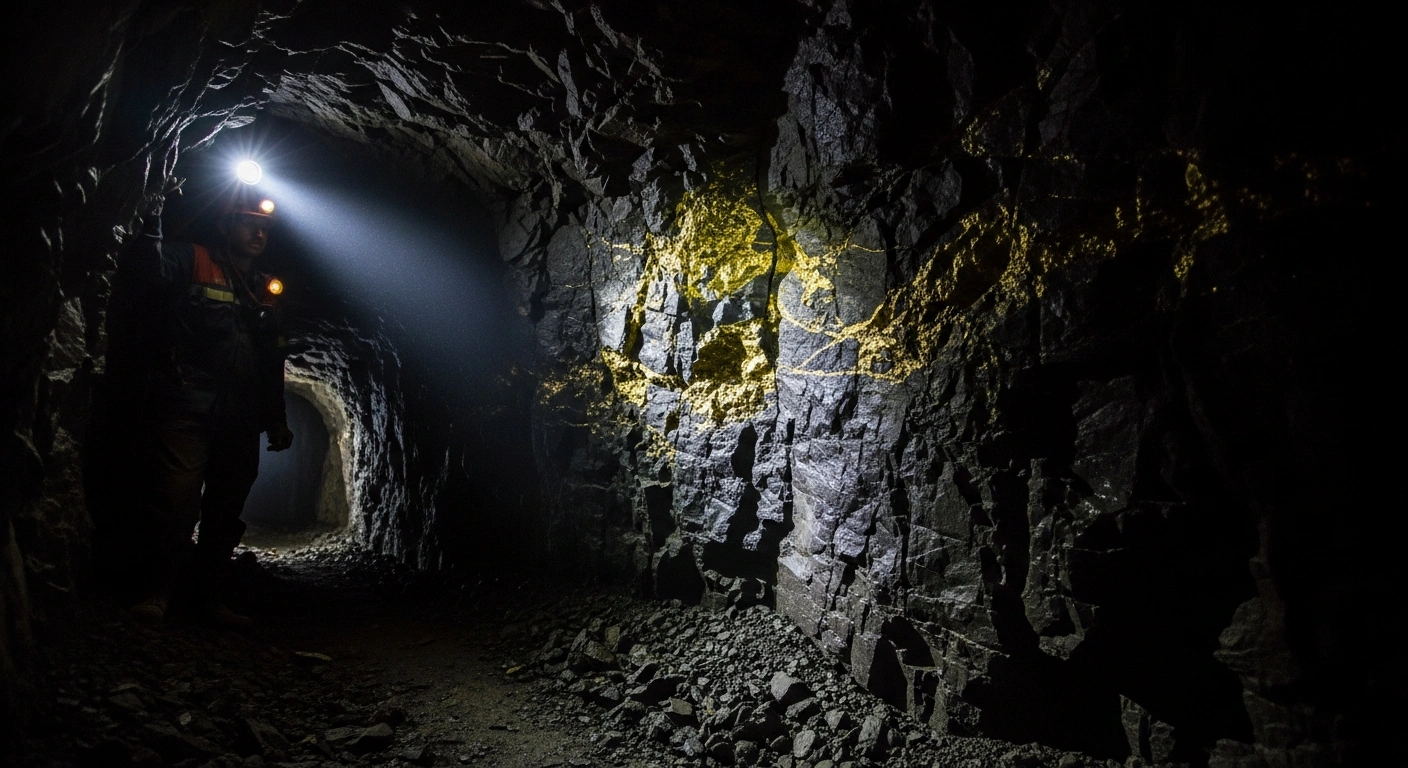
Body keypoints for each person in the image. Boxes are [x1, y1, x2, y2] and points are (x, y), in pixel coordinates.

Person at [112, 181, 294, 626]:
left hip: (239, 417)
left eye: (264, 229)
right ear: (226, 223)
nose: (259, 235)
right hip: (185, 408)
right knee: (174, 503)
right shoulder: (190, 260)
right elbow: (144, 271)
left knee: (225, 511)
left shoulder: (263, 288)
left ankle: (210, 600)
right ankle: (157, 593)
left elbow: (272, 361)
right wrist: (152, 214)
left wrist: (275, 418)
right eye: (250, 225)